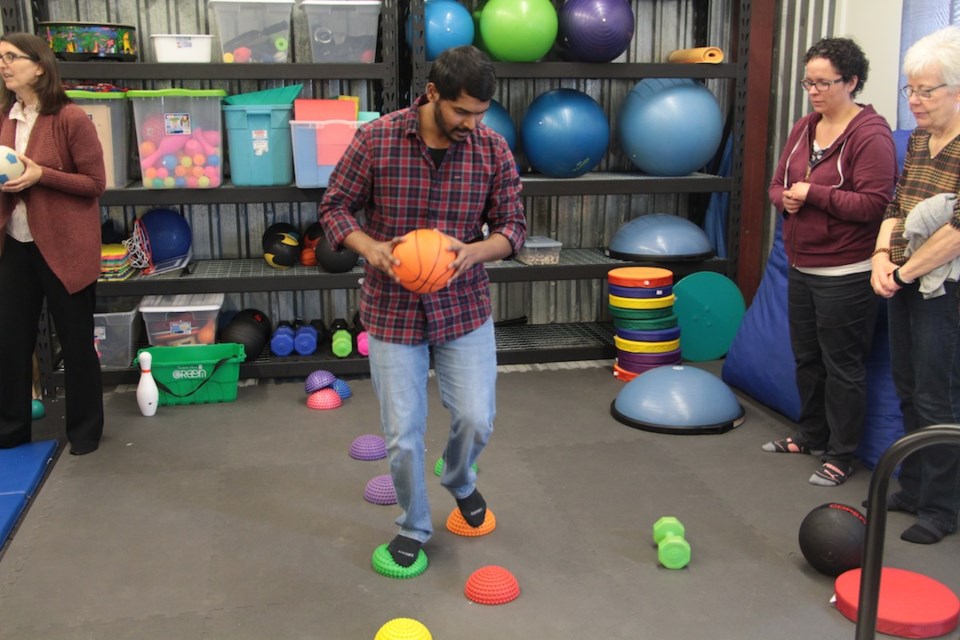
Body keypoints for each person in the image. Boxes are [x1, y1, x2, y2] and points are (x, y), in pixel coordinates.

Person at [318, 45, 525, 568]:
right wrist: (372, 249)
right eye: (462, 111)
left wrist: (476, 250)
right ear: (432, 94)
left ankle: (457, 476)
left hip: (464, 307)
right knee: (403, 435)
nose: (472, 124)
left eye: (481, 113)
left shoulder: (492, 150)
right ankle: (413, 524)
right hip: (392, 312)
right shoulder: (377, 138)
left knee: (477, 418)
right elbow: (335, 206)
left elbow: (513, 228)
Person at [762, 37, 897, 486]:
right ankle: (810, 435)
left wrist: (814, 194)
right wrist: (786, 200)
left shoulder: (870, 135)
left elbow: (876, 205)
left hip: (846, 273)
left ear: (852, 81)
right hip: (802, 267)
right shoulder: (805, 127)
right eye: (809, 82)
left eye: (824, 83)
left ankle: (842, 455)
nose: (815, 91)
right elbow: (777, 185)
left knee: (844, 367)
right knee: (807, 358)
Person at [870, 25, 960, 544]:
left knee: (939, 397)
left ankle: (942, 509)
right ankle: (914, 485)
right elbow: (897, 206)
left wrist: (904, 271)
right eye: (911, 89)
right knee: (907, 387)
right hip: (904, 281)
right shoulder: (922, 140)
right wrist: (883, 256)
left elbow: (957, 230)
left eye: (926, 90)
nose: (915, 101)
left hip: (944, 294)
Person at [0, 33, 106, 455]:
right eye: (0, 58)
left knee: (77, 342)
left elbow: (95, 184)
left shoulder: (71, 119)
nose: (4, 64)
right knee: (9, 342)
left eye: (11, 57)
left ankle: (84, 434)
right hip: (16, 245)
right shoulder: (6, 117)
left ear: (39, 66)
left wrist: (42, 174)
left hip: (64, 248)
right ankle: (10, 433)